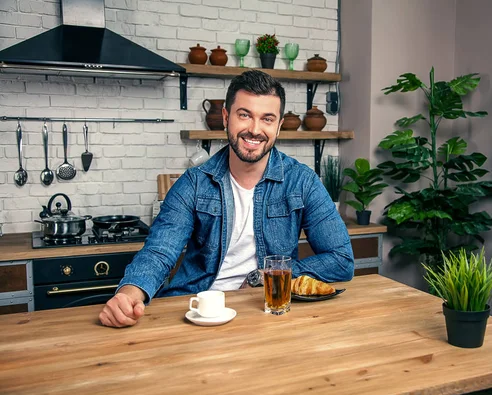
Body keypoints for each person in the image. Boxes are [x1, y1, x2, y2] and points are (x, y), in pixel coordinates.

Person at [99, 70, 354, 328]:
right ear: (225, 118)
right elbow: (159, 252)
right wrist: (128, 294)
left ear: (278, 126)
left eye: (267, 119)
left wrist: (264, 277)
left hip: (267, 313)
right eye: (244, 115)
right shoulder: (193, 183)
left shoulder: (302, 182)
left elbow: (341, 260)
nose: (255, 129)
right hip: (198, 313)